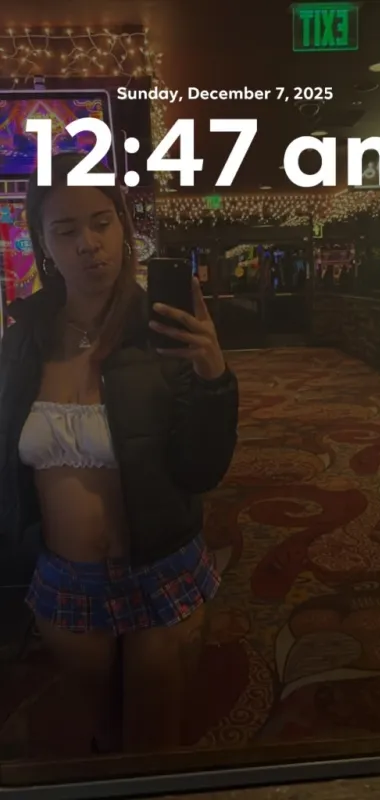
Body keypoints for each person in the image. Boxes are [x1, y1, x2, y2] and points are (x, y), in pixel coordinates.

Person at [0, 153, 239, 754]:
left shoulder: (162, 330)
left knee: (156, 744)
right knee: (101, 738)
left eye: (101, 222)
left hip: (160, 566)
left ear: (123, 227)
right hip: (64, 576)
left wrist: (213, 377)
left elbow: (201, 468)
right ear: (43, 244)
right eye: (66, 230)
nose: (89, 244)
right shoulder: (23, 340)